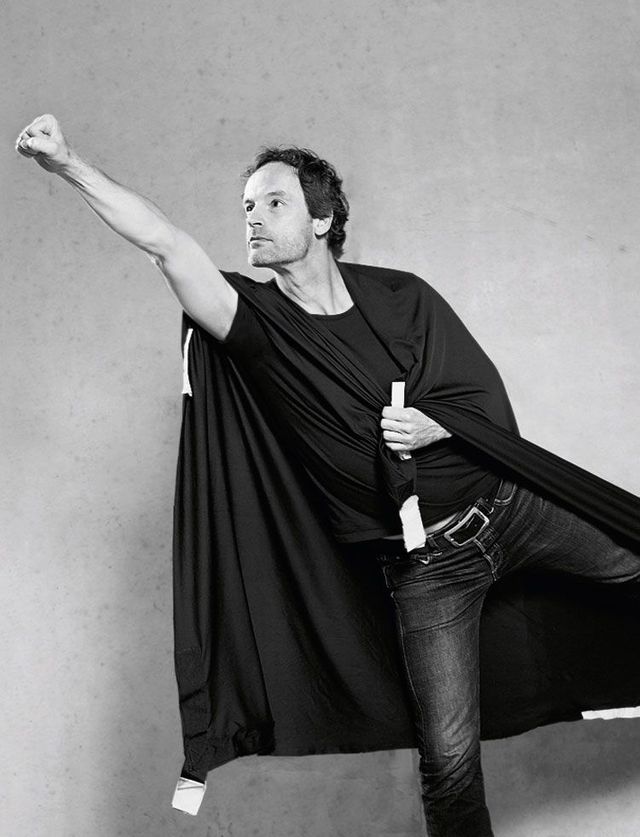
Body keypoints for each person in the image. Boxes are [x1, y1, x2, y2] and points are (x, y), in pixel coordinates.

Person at [16, 114, 640, 837]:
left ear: (322, 218)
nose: (253, 217)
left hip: (509, 508)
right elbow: (166, 244)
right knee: (447, 759)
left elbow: (479, 401)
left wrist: (437, 423)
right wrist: (68, 164)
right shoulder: (254, 323)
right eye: (247, 205)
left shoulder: (403, 297)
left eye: (273, 202)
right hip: (429, 569)